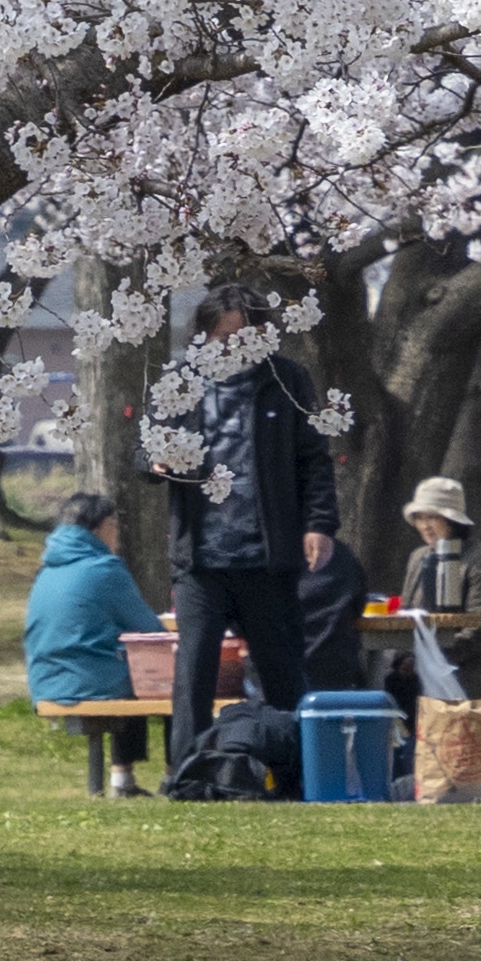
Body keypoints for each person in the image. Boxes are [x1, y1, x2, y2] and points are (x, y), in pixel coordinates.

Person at [168, 280, 337, 742]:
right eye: (222, 337)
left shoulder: (286, 379)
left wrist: (319, 524)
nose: (233, 348)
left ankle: (293, 767)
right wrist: (156, 460)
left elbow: (314, 459)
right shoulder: (180, 380)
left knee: (281, 667)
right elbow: (147, 444)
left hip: (267, 556)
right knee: (194, 671)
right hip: (201, 559)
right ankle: (186, 771)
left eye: (244, 337)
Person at [20, 491, 158, 792]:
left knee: (122, 661)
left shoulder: (46, 570)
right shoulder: (105, 569)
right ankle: (175, 773)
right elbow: (151, 631)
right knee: (159, 674)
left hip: (45, 680)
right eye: (116, 527)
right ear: (103, 527)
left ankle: (123, 777)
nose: (118, 535)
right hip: (88, 680)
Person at [380, 477, 481, 722]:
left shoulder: (480, 561)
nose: (425, 526)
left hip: (472, 677)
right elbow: (406, 614)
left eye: (433, 517)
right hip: (418, 671)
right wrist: (406, 658)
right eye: (420, 518)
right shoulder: (418, 557)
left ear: (453, 520)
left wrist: (431, 660)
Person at [294, 520, 371, 694]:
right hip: (339, 670)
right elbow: (359, 603)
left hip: (282, 671)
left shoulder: (268, 554)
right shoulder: (342, 553)